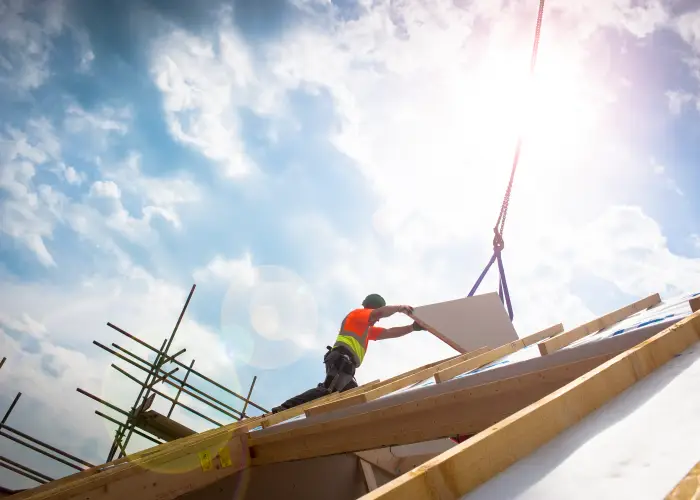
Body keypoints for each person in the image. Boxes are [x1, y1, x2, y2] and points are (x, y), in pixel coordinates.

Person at [271, 293, 425, 413]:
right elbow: (378, 314)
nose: (378, 321)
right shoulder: (357, 315)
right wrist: (400, 308)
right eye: (377, 314)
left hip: (348, 367)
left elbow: (389, 332)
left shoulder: (367, 330)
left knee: (356, 401)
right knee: (328, 391)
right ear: (372, 307)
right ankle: (285, 408)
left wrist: (412, 328)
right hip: (340, 360)